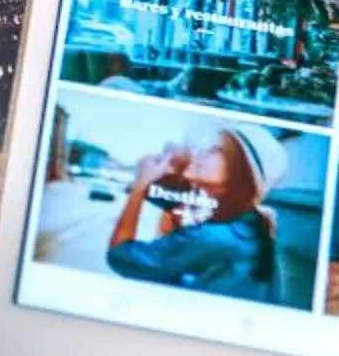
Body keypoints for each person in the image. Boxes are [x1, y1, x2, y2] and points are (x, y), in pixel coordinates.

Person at [104, 121, 287, 301]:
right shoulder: (247, 222)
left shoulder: (211, 237)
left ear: (239, 170)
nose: (201, 153)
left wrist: (140, 185)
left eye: (217, 150)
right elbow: (171, 199)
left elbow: (119, 256)